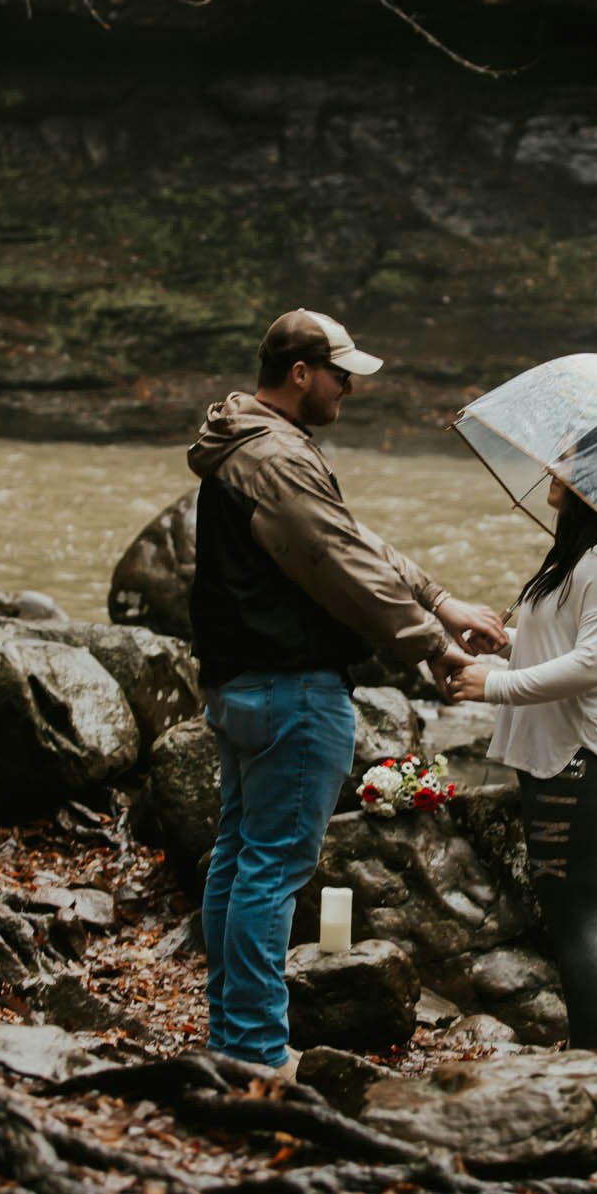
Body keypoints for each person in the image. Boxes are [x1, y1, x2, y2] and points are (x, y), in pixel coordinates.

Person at [188, 307, 505, 1080]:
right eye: (342, 375)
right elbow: (338, 559)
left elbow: (348, 536)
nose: (350, 390)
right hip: (288, 688)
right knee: (267, 869)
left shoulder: (253, 444)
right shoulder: (275, 455)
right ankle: (256, 1050)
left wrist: (438, 598)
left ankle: (231, 1033)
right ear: (301, 374)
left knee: (239, 858)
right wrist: (431, 647)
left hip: (244, 685)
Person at [444, 465, 597, 1053]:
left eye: (569, 459)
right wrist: (507, 645)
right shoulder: (590, 554)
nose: (552, 467)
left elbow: (591, 665)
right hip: (558, 755)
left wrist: (490, 685)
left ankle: (590, 1055)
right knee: (592, 918)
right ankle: (596, 1049)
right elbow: (568, 644)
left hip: (580, 759)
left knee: (576, 925)